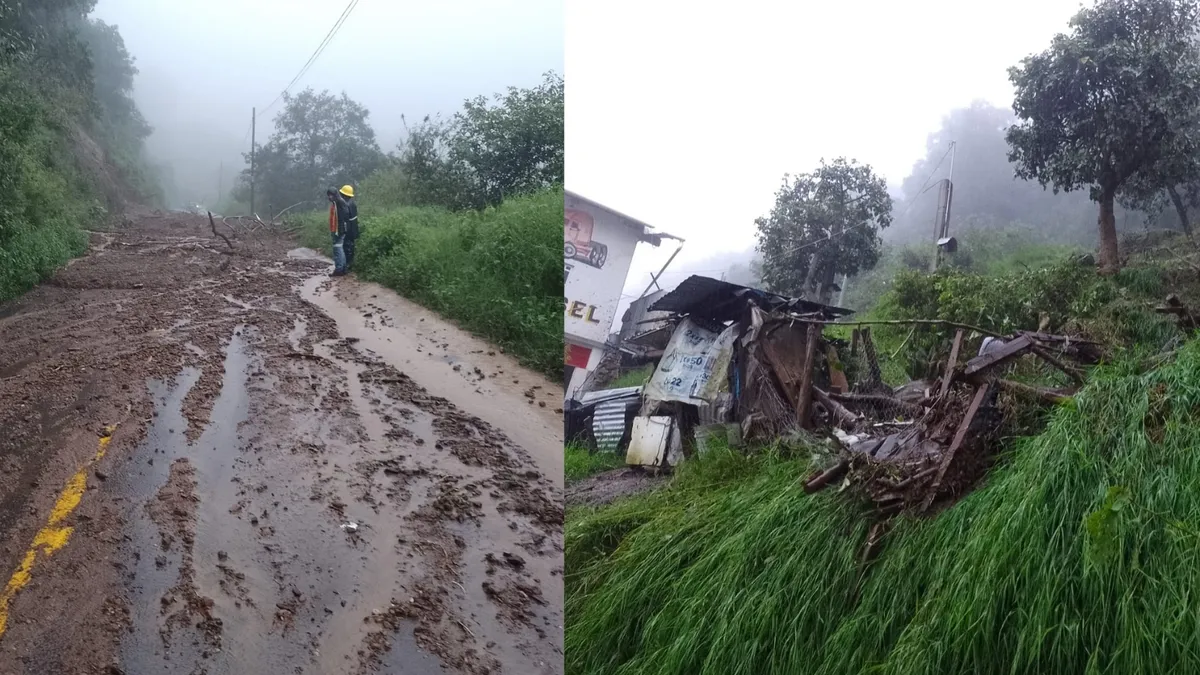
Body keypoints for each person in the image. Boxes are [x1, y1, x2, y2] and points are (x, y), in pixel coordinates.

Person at [326, 185, 359, 276]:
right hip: (348, 230)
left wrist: (340, 230)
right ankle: (344, 267)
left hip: (342, 230)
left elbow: (342, 218)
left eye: (331, 195)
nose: (330, 197)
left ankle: (341, 269)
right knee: (344, 249)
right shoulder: (349, 203)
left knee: (340, 249)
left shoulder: (341, 203)